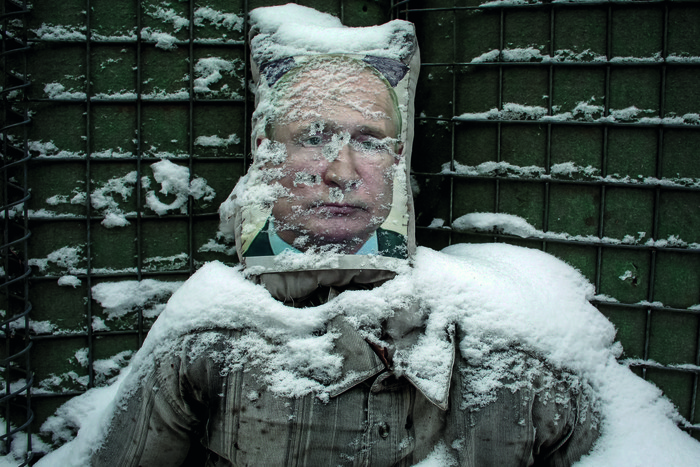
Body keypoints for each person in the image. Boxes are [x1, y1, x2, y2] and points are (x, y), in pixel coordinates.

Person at [241, 56, 408, 259]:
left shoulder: (432, 272)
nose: (343, 176)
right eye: (313, 140)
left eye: (369, 144)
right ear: (267, 155)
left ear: (396, 160)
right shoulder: (221, 280)